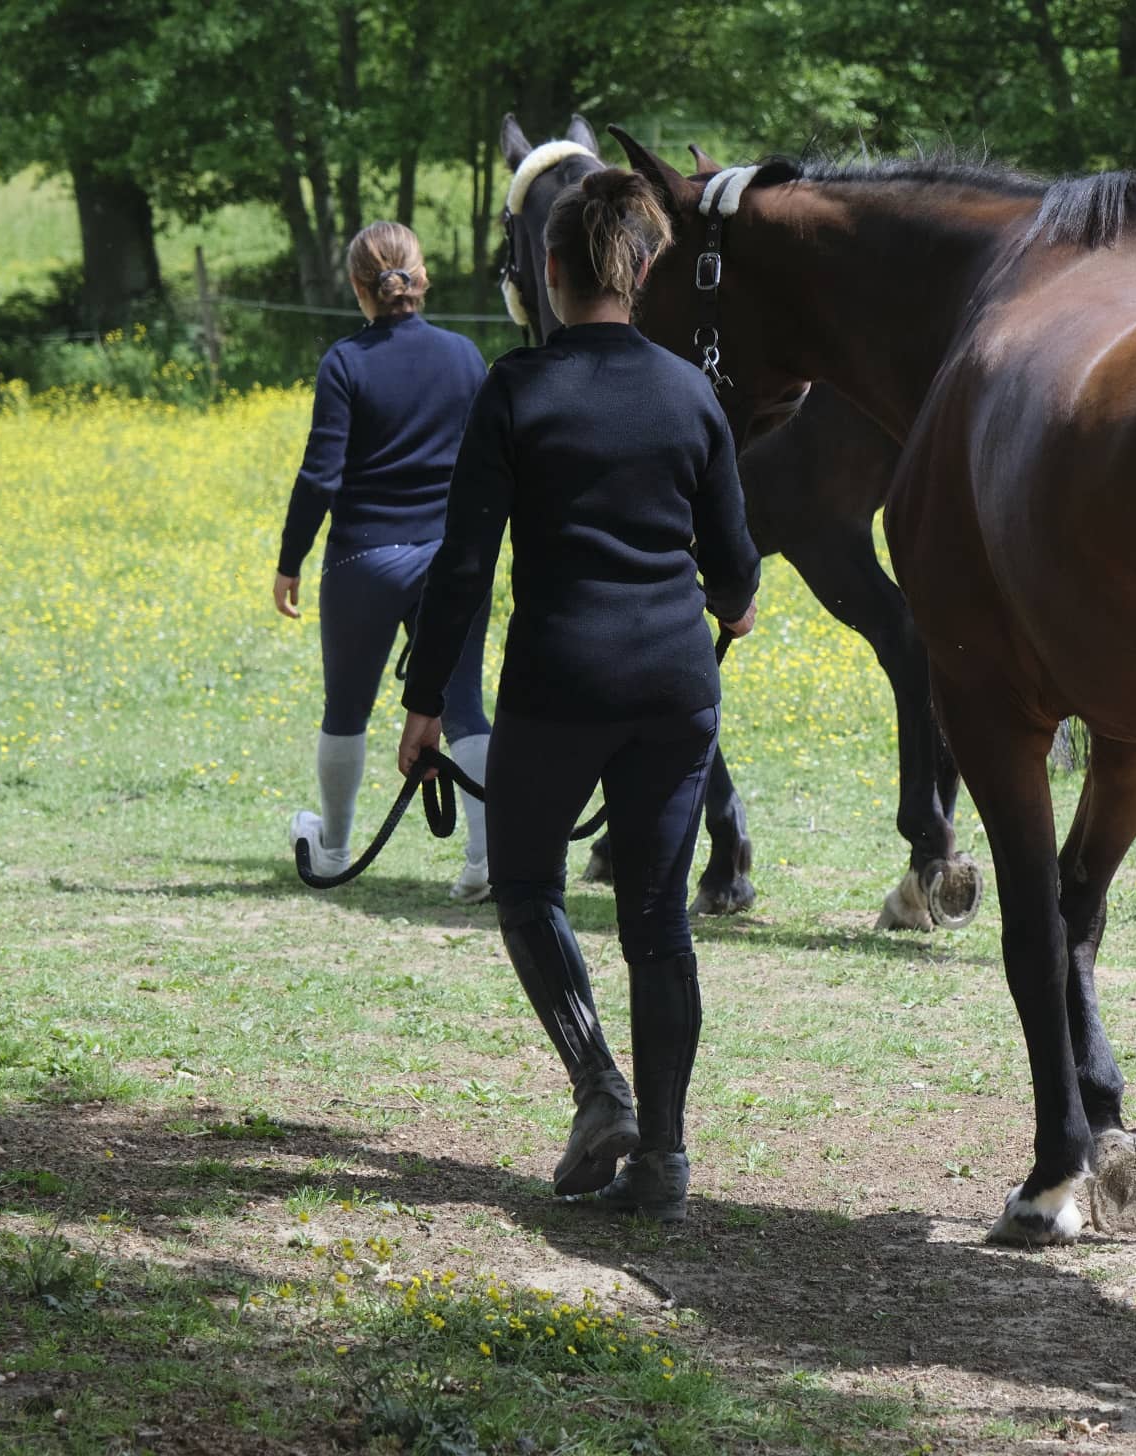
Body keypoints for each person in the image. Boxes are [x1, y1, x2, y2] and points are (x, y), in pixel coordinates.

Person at [397, 169, 761, 1220]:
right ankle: (666, 1165)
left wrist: (425, 705)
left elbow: (463, 564)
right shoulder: (692, 393)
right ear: (642, 272)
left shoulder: (515, 390)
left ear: (548, 274)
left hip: (557, 679)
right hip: (672, 686)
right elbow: (732, 565)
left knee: (525, 885)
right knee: (658, 922)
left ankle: (599, 1084)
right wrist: (735, 605)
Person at [276, 222, 495, 901]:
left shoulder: (344, 362)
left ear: (356, 288)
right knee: (463, 706)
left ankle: (337, 849)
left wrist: (290, 559)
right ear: (421, 279)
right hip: (451, 561)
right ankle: (486, 862)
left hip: (363, 560)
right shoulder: (466, 357)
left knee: (346, 707)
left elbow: (320, 476)